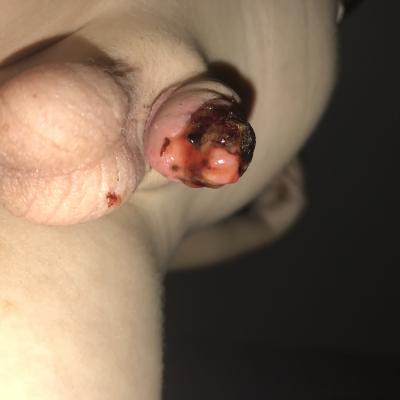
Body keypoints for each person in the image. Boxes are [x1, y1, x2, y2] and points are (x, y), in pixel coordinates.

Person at [0, 1, 341, 398]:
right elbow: (176, 250)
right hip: (130, 217)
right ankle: (139, 89)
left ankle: (153, 93)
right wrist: (257, 229)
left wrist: (258, 229)